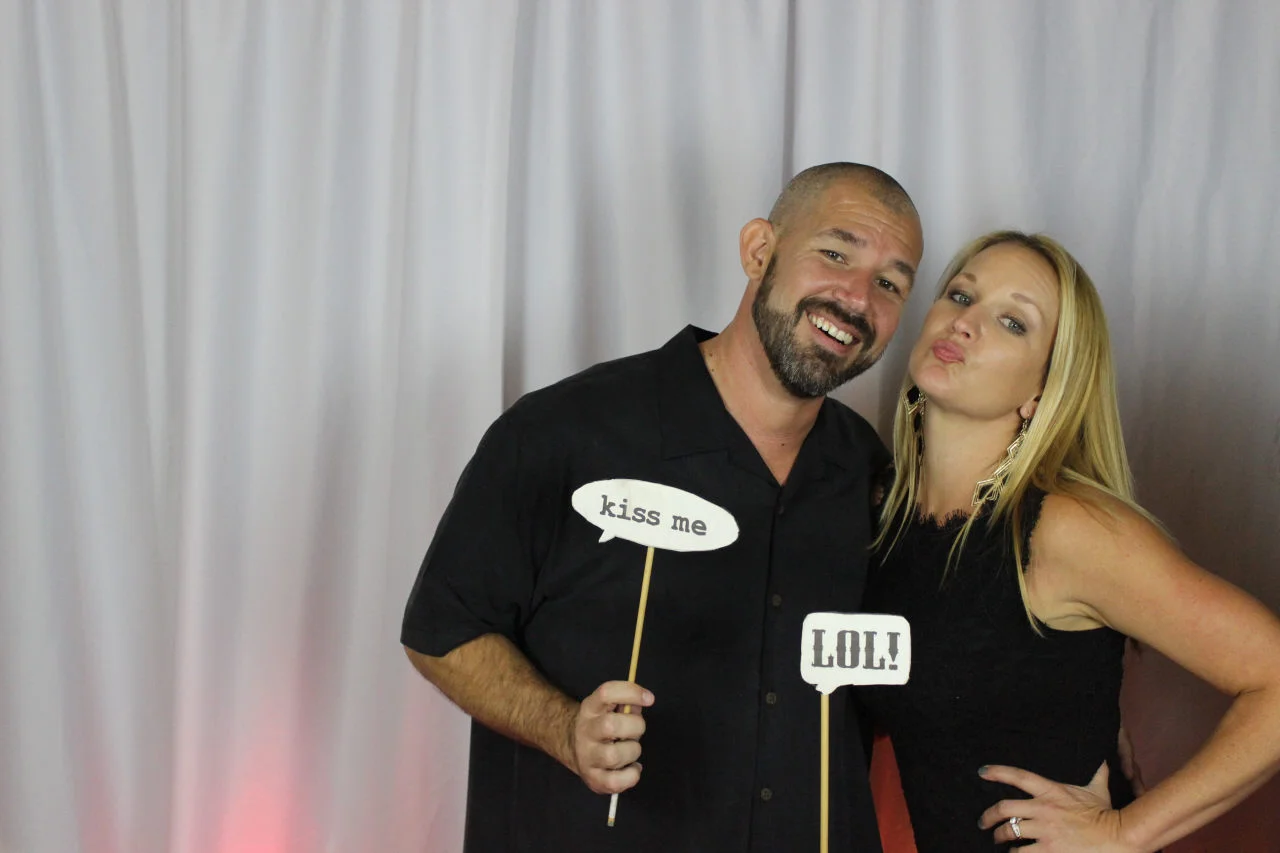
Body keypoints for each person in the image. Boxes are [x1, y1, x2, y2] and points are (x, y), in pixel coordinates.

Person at [401, 162, 925, 851]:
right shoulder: (564, 430)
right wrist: (563, 728)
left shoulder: (874, 475)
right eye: (835, 253)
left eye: (890, 283)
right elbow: (443, 629)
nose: (856, 297)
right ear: (759, 250)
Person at [860, 230, 1280, 851]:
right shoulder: (881, 511)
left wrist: (1124, 833)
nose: (965, 323)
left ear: (1042, 391)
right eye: (961, 295)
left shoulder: (1065, 530)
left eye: (1013, 322)